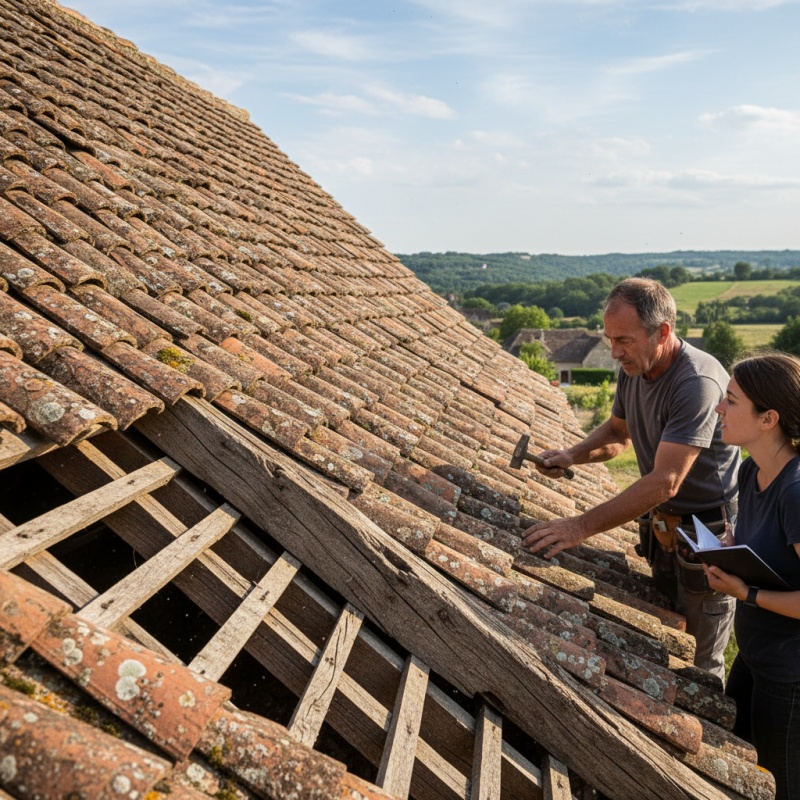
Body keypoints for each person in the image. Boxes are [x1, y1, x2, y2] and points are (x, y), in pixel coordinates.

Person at [521, 277, 740, 681]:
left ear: (663, 332)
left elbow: (666, 481)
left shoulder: (696, 383)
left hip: (707, 534)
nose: (614, 351)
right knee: (665, 632)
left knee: (700, 661)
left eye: (624, 339)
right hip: (664, 529)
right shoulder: (634, 367)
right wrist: (572, 454)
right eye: (610, 339)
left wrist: (580, 526)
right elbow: (618, 434)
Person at [704, 352, 800, 800]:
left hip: (790, 674)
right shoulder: (750, 471)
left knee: (779, 786)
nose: (720, 408)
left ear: (769, 419)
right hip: (756, 657)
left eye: (731, 400)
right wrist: (732, 548)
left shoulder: (796, 492)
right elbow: (766, 547)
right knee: (739, 769)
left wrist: (747, 592)